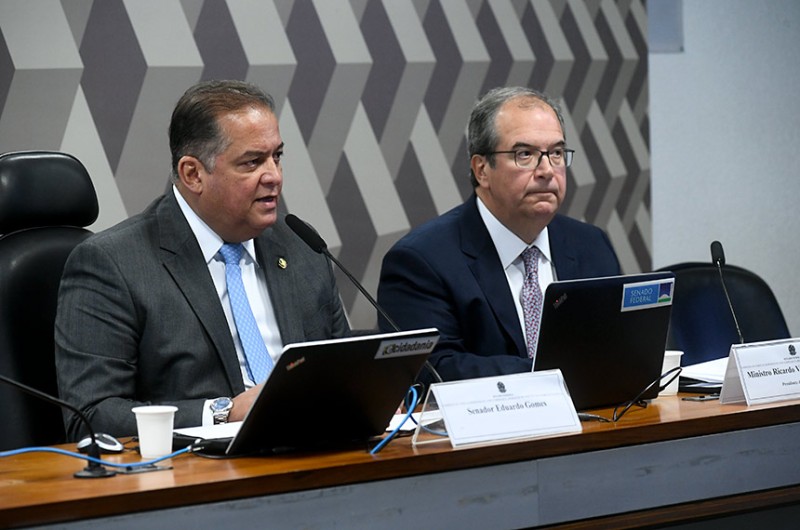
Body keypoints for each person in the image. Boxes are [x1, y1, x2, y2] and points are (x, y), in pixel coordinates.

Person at [55, 80, 350, 440]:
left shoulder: (304, 250)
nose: (273, 175)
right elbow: (92, 414)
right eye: (252, 162)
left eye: (277, 156)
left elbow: (340, 370)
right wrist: (222, 413)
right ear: (193, 174)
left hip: (317, 456)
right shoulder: (113, 264)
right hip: (197, 475)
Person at [377, 86, 620, 383]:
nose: (546, 170)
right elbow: (431, 370)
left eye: (556, 153)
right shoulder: (422, 261)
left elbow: (615, 347)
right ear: (481, 170)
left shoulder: (591, 244)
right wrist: (551, 373)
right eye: (525, 154)